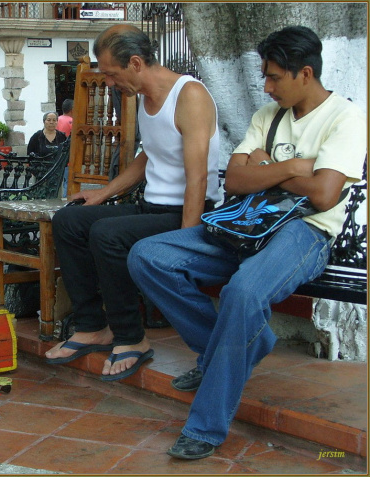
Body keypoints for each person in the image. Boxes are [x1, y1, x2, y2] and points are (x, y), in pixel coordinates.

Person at [128, 26, 367, 460]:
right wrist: (296, 167)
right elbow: (236, 178)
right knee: (148, 256)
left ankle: (205, 426)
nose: (266, 85)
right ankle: (239, 348)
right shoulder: (267, 116)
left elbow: (325, 195)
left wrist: (268, 165)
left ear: (306, 74)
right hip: (247, 224)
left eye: (274, 77)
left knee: (242, 292)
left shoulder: (346, 118)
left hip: (306, 233)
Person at [45, 24, 220, 382]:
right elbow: (147, 158)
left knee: (108, 234)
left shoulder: (189, 96)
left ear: (136, 63)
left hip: (190, 214)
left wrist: (185, 240)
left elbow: (198, 177)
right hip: (152, 207)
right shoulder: (143, 97)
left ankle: (131, 337)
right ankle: (93, 326)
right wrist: (103, 194)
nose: (109, 83)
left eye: (111, 74)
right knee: (69, 220)